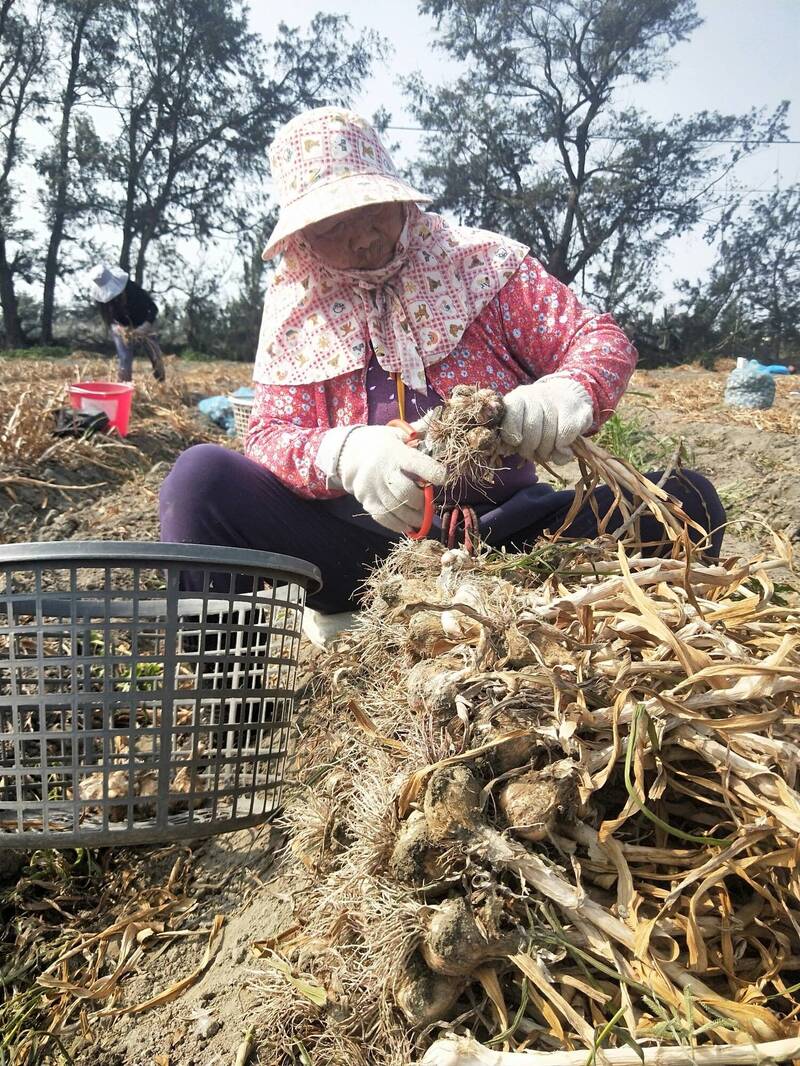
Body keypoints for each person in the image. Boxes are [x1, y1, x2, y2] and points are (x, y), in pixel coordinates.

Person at [160, 107, 725, 614]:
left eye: (373, 211)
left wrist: (563, 393)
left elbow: (597, 339)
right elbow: (268, 436)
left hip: (513, 535)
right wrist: (345, 453)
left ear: (399, 198)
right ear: (303, 238)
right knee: (200, 482)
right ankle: (225, 688)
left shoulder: (482, 267)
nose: (362, 239)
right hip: (362, 554)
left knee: (686, 501)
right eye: (332, 228)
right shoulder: (296, 309)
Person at [89, 264, 166, 383]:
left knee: (155, 354)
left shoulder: (131, 287)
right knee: (124, 358)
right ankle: (124, 386)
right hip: (121, 328)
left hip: (143, 322)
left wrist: (145, 326)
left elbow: (153, 308)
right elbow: (108, 319)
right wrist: (117, 328)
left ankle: (161, 382)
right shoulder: (101, 299)